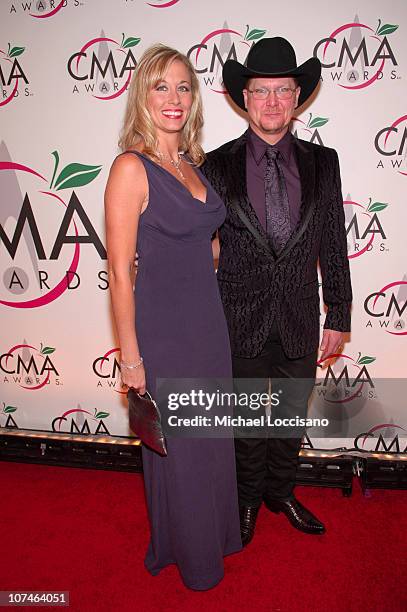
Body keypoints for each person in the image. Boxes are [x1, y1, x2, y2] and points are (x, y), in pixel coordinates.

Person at [202, 37, 352, 546]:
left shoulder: (323, 162)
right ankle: (246, 500)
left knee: (289, 413)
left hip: (299, 313)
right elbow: (200, 240)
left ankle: (281, 492)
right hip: (236, 314)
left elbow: (334, 238)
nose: (271, 102)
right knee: (246, 420)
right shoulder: (216, 164)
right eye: (261, 91)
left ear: (297, 97)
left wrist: (339, 312)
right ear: (244, 98)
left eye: (282, 91)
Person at [104, 44, 241, 590]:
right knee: (180, 449)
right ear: (143, 94)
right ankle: (193, 560)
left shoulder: (190, 165)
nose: (174, 98)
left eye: (183, 87)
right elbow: (118, 274)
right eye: (161, 86)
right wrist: (131, 359)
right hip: (166, 333)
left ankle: (213, 537)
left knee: (209, 440)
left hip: (208, 325)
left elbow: (205, 246)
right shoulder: (130, 168)